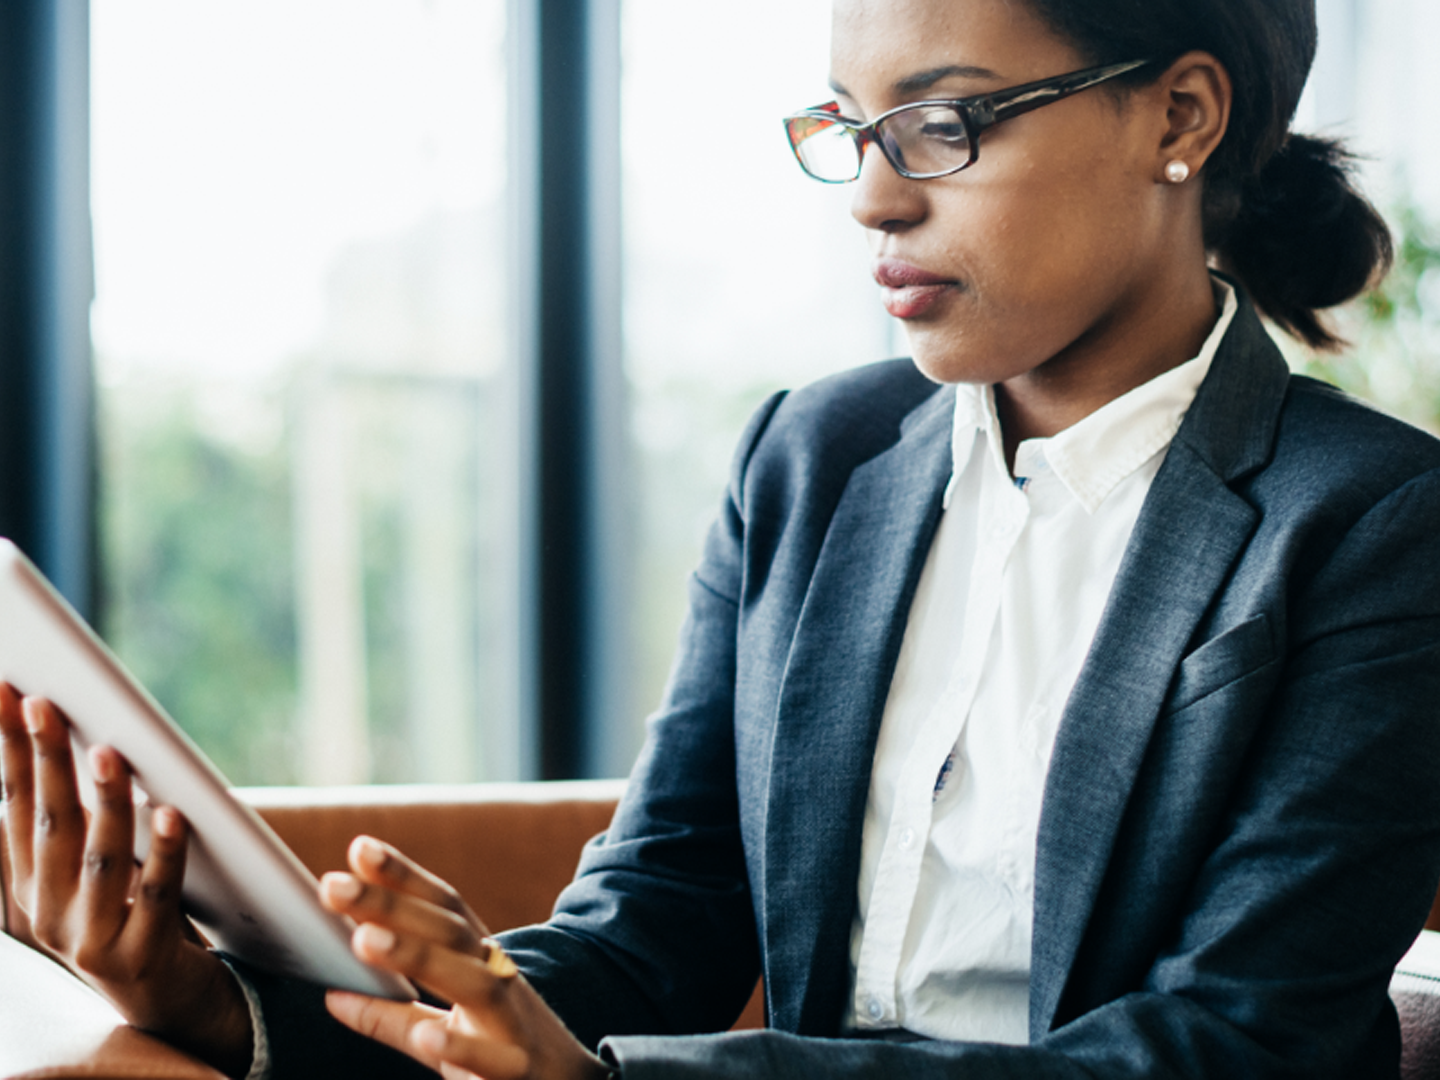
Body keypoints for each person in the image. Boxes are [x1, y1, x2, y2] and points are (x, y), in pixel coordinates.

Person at [4, 0, 1440, 1076]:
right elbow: (662, 921)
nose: (876, 195)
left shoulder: (1372, 524)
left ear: (1182, 116)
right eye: (853, 130)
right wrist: (227, 1001)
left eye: (947, 124)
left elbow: (1234, 1045)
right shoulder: (810, 461)